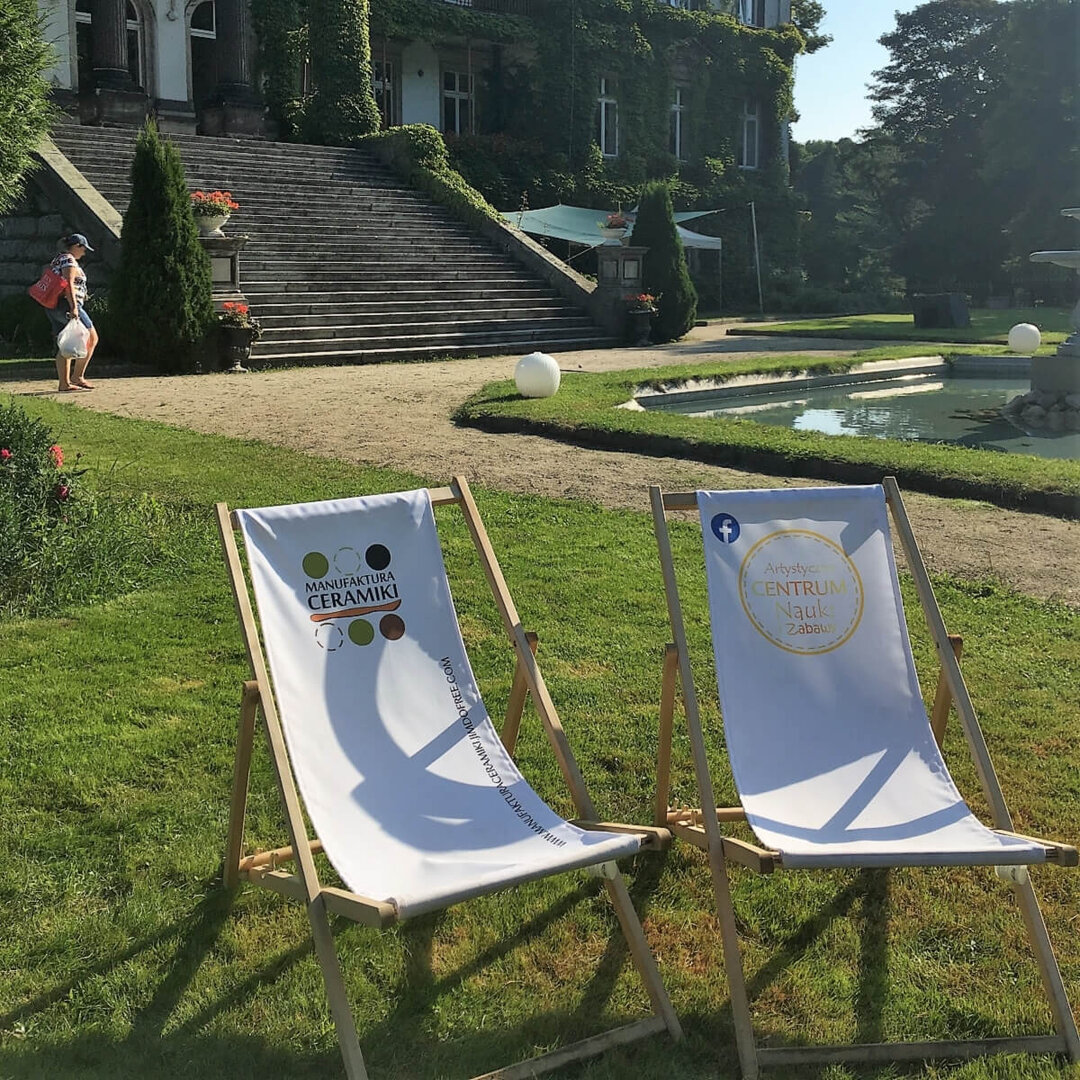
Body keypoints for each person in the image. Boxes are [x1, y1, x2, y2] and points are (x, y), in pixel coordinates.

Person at [46, 233, 99, 392]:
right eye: (83, 249)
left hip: (54, 305)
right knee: (92, 337)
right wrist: (74, 307)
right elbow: (68, 283)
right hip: (67, 305)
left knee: (65, 343)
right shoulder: (68, 260)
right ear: (76, 246)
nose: (84, 252)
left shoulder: (58, 259)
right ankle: (78, 376)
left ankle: (64, 383)